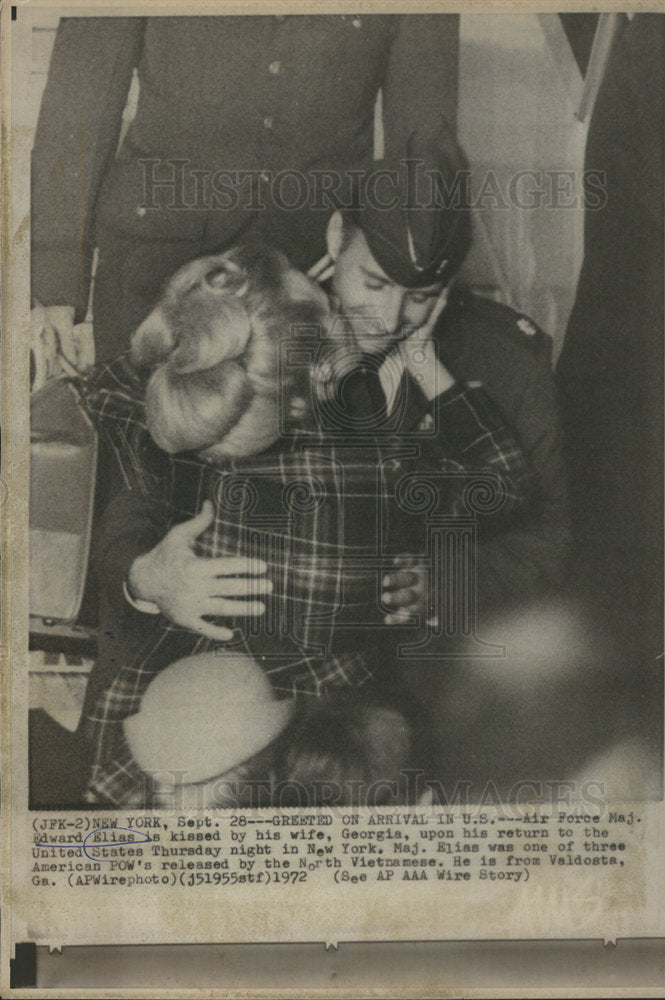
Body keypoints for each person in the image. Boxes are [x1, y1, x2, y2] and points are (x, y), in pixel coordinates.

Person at [80, 130, 569, 805]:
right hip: (194, 674)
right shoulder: (250, 320)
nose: (394, 316)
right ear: (339, 236)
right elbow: (137, 480)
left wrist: (448, 579)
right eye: (373, 281)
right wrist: (147, 575)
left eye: (423, 295)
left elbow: (546, 537)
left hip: (364, 701)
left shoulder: (504, 360)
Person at [31, 13, 459, 364]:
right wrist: (58, 285)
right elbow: (77, 106)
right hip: (152, 260)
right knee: (140, 445)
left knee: (300, 459)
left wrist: (417, 278)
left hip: (311, 266)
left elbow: (424, 141)